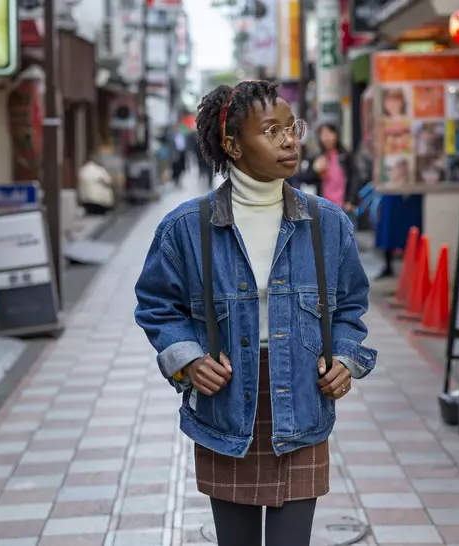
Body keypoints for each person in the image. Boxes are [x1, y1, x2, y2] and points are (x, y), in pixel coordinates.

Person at [134, 80, 377, 546]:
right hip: (226, 408)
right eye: (271, 131)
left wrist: (345, 358)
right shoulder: (189, 226)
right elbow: (156, 304)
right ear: (232, 145)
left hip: (303, 401)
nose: (290, 141)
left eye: (292, 127)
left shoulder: (327, 222)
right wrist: (187, 358)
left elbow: (350, 304)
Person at [298, 123, 359, 212]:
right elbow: (303, 177)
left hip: (343, 207)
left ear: (336, 135)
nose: (327, 138)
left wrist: (350, 200)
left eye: (330, 133)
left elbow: (354, 178)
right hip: (323, 207)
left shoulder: (345, 156)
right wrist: (315, 170)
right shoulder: (317, 157)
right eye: (323, 134)